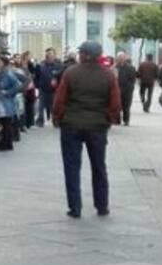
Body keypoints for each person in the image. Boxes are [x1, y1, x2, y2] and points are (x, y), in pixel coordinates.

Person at [51, 40, 120, 218]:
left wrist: (57, 117)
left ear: (85, 55)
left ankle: (75, 207)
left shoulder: (71, 72)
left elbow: (60, 98)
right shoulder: (108, 75)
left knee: (72, 167)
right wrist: (109, 119)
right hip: (97, 125)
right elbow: (115, 102)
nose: (79, 55)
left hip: (71, 124)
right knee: (99, 166)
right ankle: (102, 205)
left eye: (81, 52)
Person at [0, 55, 22, 151]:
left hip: (5, 102)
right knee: (0, 123)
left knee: (5, 123)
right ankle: (4, 142)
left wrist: (8, 92)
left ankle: (6, 143)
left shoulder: (8, 73)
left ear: (4, 63)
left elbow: (18, 86)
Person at [115, 52, 137, 126]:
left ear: (125, 58)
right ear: (117, 58)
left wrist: (130, 87)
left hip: (127, 90)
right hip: (117, 89)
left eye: (123, 57)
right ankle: (117, 119)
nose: (121, 59)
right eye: (120, 57)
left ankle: (126, 120)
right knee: (117, 105)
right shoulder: (115, 67)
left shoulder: (131, 67)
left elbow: (133, 79)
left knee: (126, 106)